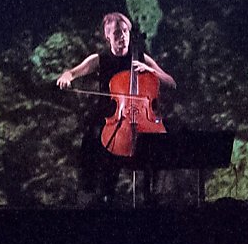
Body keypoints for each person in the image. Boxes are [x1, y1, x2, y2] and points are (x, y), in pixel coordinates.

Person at [55, 12, 175, 203]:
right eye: (117, 33)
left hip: (142, 120)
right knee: (93, 141)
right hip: (111, 120)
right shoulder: (100, 59)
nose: (123, 37)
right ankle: (96, 195)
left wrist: (152, 71)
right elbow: (72, 72)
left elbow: (171, 82)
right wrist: (67, 77)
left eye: (126, 31)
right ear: (108, 36)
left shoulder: (141, 58)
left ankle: (155, 196)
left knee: (164, 141)